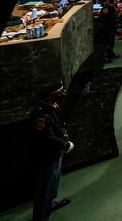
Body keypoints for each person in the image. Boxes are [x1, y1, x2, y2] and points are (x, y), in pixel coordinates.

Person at [29, 83, 74, 221]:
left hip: (55, 153)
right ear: (49, 96)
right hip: (46, 157)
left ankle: (52, 203)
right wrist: (65, 145)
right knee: (44, 192)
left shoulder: (51, 106)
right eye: (58, 93)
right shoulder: (41, 115)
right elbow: (47, 138)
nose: (62, 95)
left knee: (53, 184)